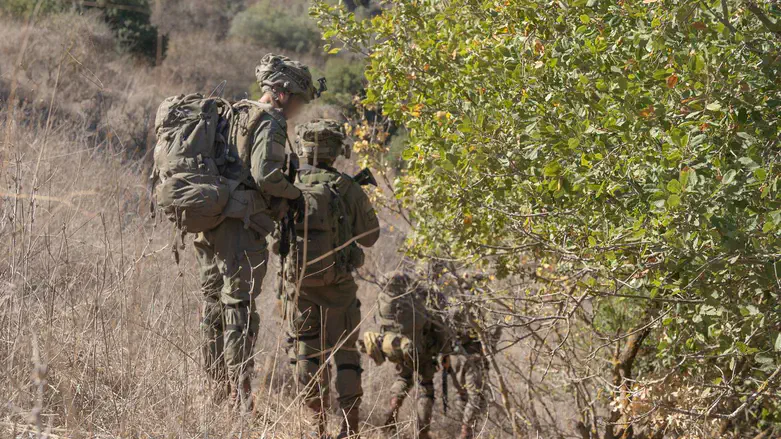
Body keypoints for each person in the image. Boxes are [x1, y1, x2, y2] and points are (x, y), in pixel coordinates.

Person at [196, 53, 317, 411]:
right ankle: (240, 396)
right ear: (282, 92)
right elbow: (265, 175)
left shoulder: (233, 111)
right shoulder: (271, 121)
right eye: (297, 100)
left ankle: (214, 389)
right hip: (241, 226)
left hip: (210, 221)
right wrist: (296, 194)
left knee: (213, 306)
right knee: (239, 307)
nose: (297, 108)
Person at [282, 119, 380, 438]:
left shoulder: (289, 184)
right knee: (347, 355)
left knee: (308, 355)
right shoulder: (347, 186)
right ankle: (349, 431)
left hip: (301, 291)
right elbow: (370, 237)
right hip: (340, 291)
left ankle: (317, 426)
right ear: (337, 150)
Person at [361, 271, 450, 439]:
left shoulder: (386, 298)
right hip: (420, 350)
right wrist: (445, 351)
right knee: (426, 387)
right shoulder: (420, 297)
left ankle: (391, 416)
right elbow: (439, 326)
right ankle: (423, 432)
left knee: (403, 379)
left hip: (397, 348)